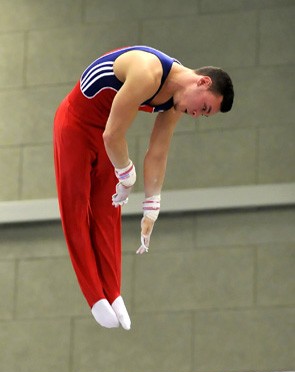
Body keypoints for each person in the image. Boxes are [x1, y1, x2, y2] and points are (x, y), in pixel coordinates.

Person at [53, 45, 234, 331]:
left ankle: (113, 292)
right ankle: (95, 297)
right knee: (76, 208)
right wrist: (126, 173)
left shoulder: (177, 101)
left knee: (108, 211)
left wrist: (152, 205)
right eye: (204, 108)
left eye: (204, 115)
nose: (197, 115)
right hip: (75, 125)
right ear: (203, 82)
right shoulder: (146, 71)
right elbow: (113, 134)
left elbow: (158, 151)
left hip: (108, 136)